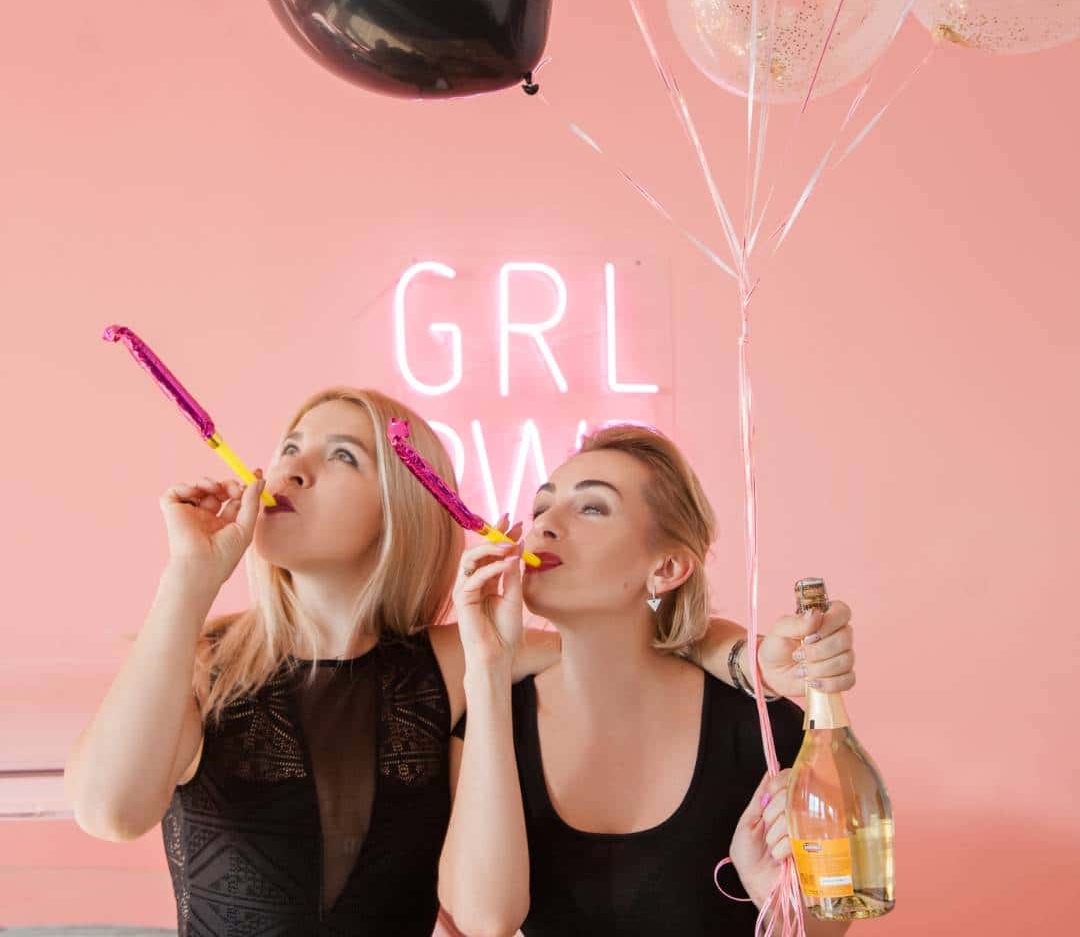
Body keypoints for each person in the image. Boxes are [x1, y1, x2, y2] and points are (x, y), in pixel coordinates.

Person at [66, 391, 850, 935]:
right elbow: (109, 812)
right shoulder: (201, 658)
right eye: (288, 447)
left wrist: (752, 658)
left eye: (341, 455)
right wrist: (188, 579)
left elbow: (638, 643)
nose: (291, 470)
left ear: (404, 508)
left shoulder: (449, 665)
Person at [440, 424, 857, 936]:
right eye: (541, 507)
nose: (544, 525)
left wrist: (772, 900)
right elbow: (486, 920)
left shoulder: (770, 734)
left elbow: (823, 931)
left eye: (592, 508)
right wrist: (486, 666)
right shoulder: (485, 725)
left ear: (667, 567)